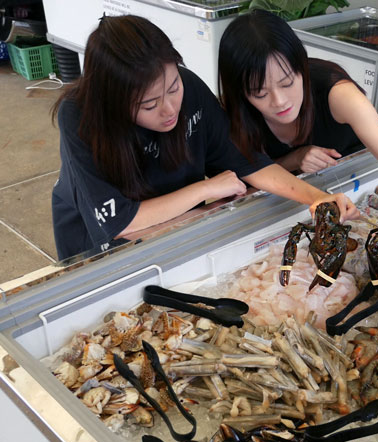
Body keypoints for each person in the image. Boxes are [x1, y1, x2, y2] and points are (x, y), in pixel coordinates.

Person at [51, 15, 356, 260]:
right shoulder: (79, 117)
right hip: (106, 241)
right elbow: (120, 224)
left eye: (172, 87)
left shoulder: (190, 89)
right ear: (113, 101)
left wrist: (316, 197)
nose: (170, 108)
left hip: (183, 219)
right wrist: (205, 190)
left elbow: (248, 163)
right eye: (148, 104)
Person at [217, 9, 378, 226]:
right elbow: (245, 179)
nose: (279, 101)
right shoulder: (232, 112)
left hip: (358, 185)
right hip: (288, 202)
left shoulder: (339, 94)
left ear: (302, 67)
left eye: (287, 82)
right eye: (260, 92)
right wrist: (296, 158)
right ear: (240, 92)